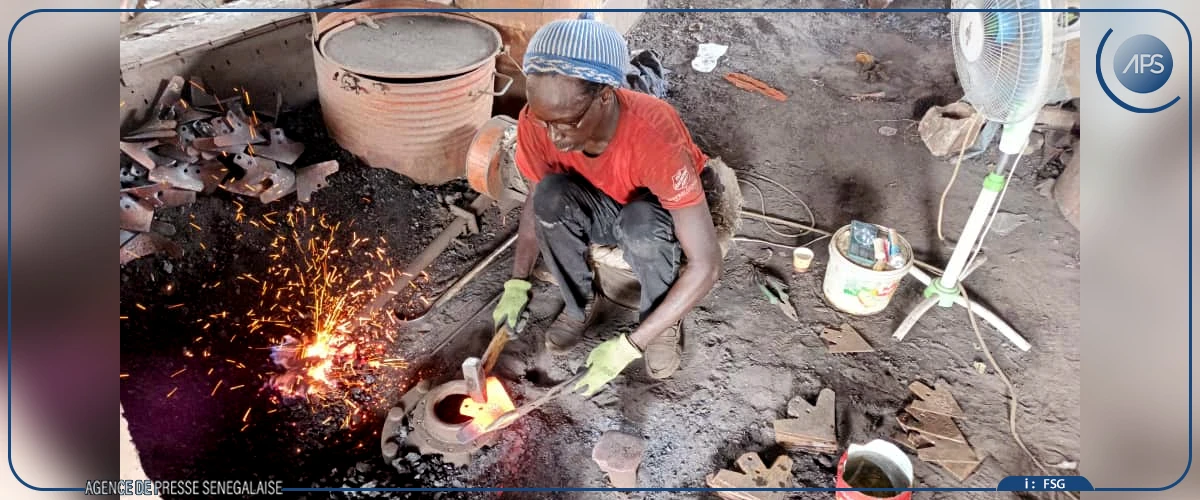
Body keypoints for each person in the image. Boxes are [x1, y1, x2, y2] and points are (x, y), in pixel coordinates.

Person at [490, 13, 723, 396]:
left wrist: (630, 345)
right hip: (598, 203)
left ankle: (659, 323)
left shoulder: (655, 135)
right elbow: (536, 199)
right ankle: (579, 304)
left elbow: (707, 265)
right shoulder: (538, 120)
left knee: (640, 225)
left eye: (566, 123)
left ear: (604, 96)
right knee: (550, 195)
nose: (555, 136)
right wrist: (517, 280)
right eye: (544, 121)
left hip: (650, 214)